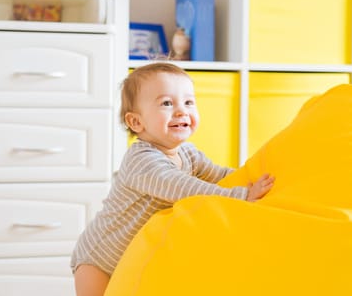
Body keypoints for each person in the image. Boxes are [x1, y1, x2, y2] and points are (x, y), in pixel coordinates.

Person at [71, 62, 275, 296]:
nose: (181, 111)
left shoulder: (188, 153)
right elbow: (183, 188)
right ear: (136, 122)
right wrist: (240, 196)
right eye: (167, 103)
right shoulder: (142, 160)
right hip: (100, 259)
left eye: (188, 102)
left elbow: (221, 176)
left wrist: (251, 179)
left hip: (137, 259)